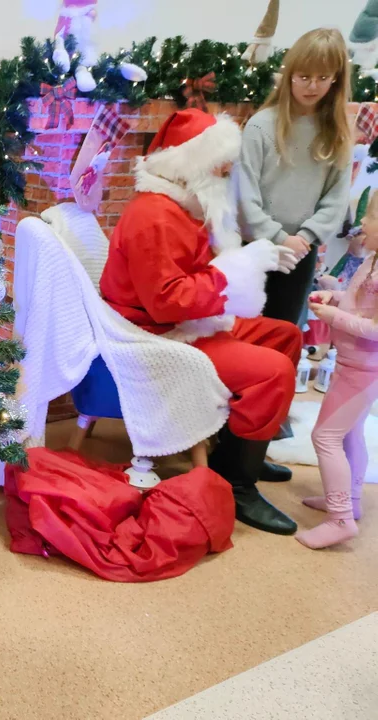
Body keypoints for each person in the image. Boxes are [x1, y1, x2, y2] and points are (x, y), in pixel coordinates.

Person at [99, 108, 303, 536]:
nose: (229, 172)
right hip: (162, 334)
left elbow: (198, 273)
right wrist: (234, 269)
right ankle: (238, 482)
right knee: (275, 372)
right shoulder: (155, 216)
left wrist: (254, 260)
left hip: (198, 318)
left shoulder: (185, 205)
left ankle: (241, 449)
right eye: (220, 164)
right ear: (191, 165)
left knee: (285, 336)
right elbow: (167, 302)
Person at [238, 28, 353, 329]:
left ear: (336, 79)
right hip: (252, 247)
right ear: (289, 75)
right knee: (238, 331)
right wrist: (277, 237)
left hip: (299, 253)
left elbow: (336, 199)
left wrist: (303, 239)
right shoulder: (261, 126)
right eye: (304, 77)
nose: (312, 85)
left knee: (281, 335)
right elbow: (244, 193)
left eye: (322, 78)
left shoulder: (338, 134)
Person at [297, 192, 378, 549]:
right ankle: (350, 501)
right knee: (349, 433)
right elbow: (361, 299)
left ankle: (341, 517)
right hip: (351, 364)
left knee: (325, 436)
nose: (362, 223)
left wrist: (335, 317)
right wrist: (336, 294)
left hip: (362, 370)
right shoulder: (372, 260)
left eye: (371, 216)